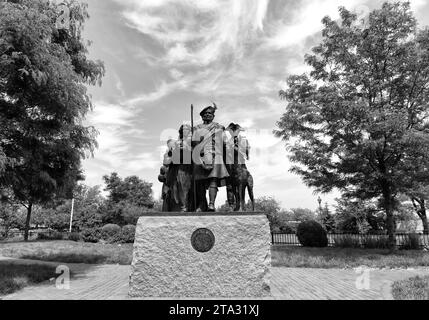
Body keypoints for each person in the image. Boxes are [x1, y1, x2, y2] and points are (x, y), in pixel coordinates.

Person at [192, 104, 229, 212]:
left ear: (213, 116)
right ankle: (202, 204)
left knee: (213, 180)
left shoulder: (218, 127)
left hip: (215, 155)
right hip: (200, 155)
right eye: (205, 113)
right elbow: (193, 143)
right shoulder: (196, 128)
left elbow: (224, 142)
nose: (208, 115)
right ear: (202, 116)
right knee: (199, 182)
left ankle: (211, 204)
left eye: (210, 113)